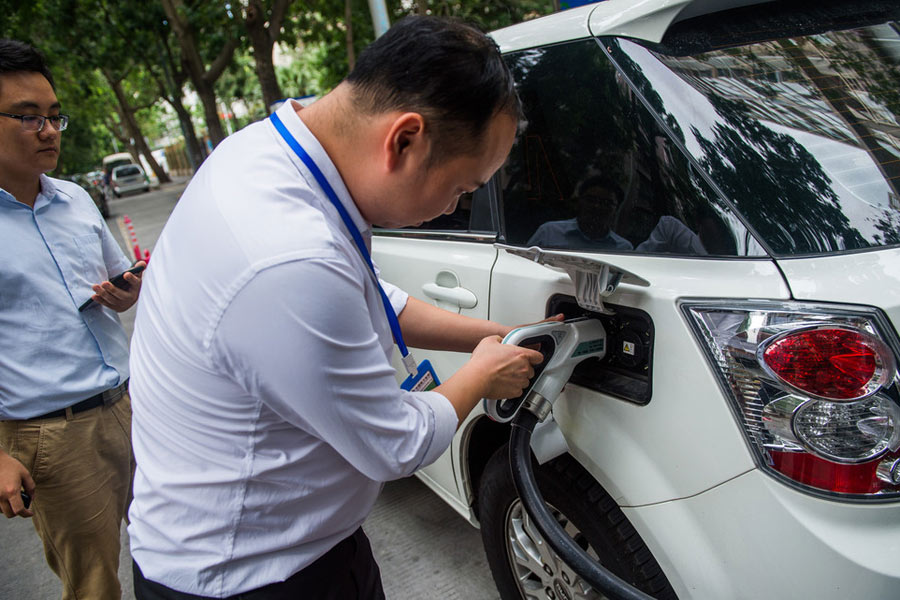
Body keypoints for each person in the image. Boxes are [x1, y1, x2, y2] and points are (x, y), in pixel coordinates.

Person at [127, 16, 545, 600]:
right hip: (252, 575)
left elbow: (372, 296)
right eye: (462, 187)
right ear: (405, 139)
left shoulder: (272, 156)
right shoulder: (286, 257)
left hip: (281, 543)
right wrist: (480, 374)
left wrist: (500, 332)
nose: (459, 203)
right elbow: (393, 445)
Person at [0, 39, 144, 599]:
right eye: (29, 117)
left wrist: (123, 293)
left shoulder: (77, 200)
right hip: (50, 436)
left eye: (54, 115)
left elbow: (118, 282)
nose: (50, 130)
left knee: (179, 545)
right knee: (94, 584)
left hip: (130, 406)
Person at [527, 175, 633, 251]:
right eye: (591, 200)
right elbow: (524, 265)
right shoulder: (549, 232)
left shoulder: (623, 249)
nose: (597, 206)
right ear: (579, 202)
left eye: (606, 203)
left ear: (616, 209)